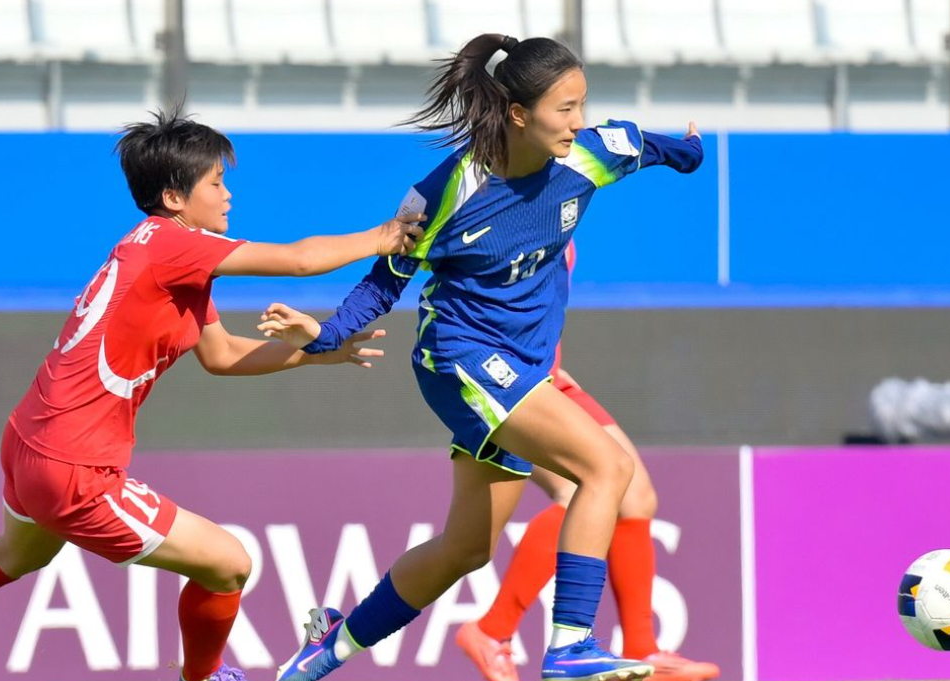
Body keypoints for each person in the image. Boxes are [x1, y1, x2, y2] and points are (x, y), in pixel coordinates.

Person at [261, 33, 703, 681]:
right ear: (518, 114)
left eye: (583, 105)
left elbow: (659, 147)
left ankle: (328, 645)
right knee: (608, 469)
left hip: (520, 369)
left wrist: (690, 152)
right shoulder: (446, 190)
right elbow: (384, 282)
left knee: (465, 549)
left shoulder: (592, 155)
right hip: (460, 358)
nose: (578, 122)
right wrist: (322, 337)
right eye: (564, 109)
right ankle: (571, 643)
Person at [0, 109, 424, 681]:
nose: (227, 195)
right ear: (173, 196)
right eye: (215, 183)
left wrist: (322, 349)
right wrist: (385, 237)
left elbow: (220, 357)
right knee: (229, 565)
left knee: (17, 556)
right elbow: (300, 260)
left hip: (29, 443)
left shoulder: (160, 254)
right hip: (74, 467)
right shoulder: (174, 245)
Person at [454, 243, 720, 681]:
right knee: (582, 488)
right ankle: (491, 630)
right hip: (506, 384)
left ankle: (643, 649)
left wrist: (551, 363)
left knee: (636, 497)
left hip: (545, 374)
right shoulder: (501, 202)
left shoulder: (557, 200)